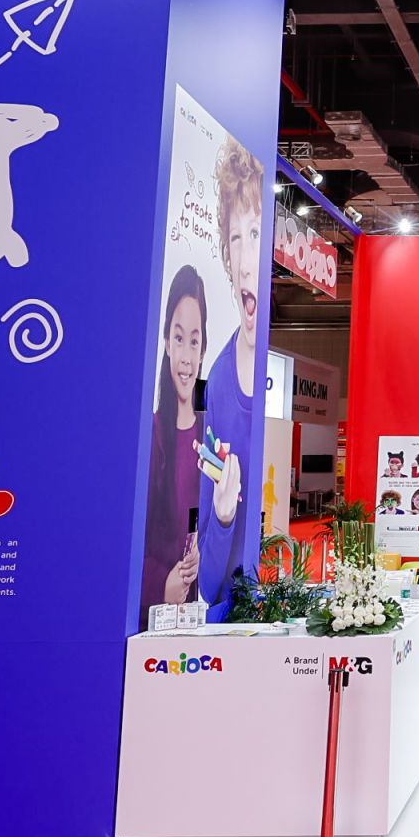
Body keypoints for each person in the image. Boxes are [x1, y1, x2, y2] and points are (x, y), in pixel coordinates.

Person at [196, 136, 264, 619]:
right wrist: (222, 517)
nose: (244, 259)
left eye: (256, 232)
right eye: (235, 238)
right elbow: (206, 585)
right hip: (233, 622)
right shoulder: (219, 384)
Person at [139, 265, 206, 610]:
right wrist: (160, 585)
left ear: (203, 350)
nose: (186, 359)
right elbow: (126, 540)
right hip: (153, 617)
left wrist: (203, 552)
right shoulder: (150, 437)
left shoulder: (211, 439)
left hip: (198, 616)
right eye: (179, 338)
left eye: (194, 341)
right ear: (166, 342)